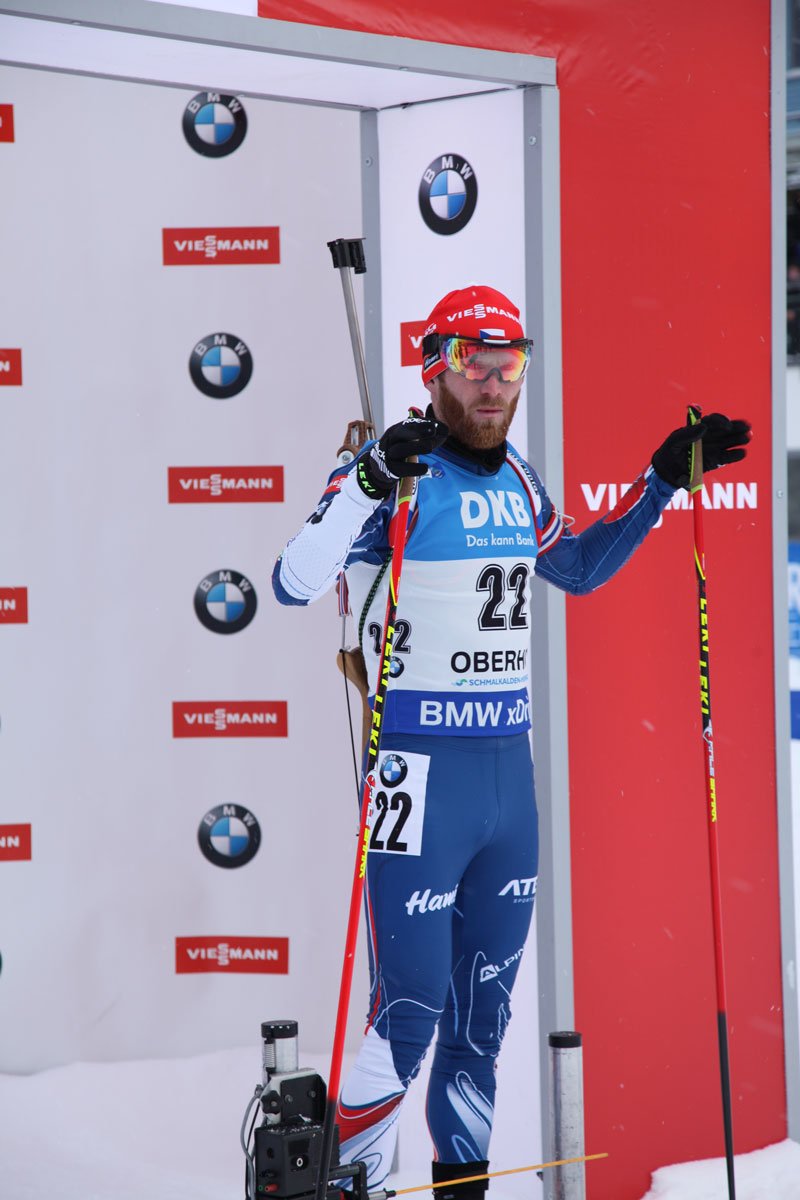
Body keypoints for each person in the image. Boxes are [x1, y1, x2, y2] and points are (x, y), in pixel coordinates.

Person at [272, 285, 750, 1199]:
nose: (494, 385)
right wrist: (366, 482)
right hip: (419, 776)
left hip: (506, 783)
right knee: (409, 1012)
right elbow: (293, 580)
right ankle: (347, 1181)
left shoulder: (520, 479)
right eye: (472, 364)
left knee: (479, 1026)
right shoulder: (396, 472)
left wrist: (659, 483)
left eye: (510, 365)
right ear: (434, 368)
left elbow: (578, 568)